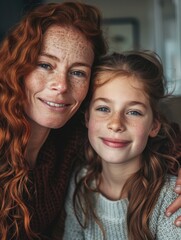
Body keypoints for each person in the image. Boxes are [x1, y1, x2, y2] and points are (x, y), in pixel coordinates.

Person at [0, 2, 107, 239]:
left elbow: (150, 131)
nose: (61, 85)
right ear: (17, 69)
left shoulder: (72, 136)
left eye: (78, 72)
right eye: (45, 65)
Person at [63, 51, 181, 240]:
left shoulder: (171, 197)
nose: (116, 124)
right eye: (103, 109)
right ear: (87, 117)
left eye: (134, 112)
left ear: (154, 125)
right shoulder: (80, 181)